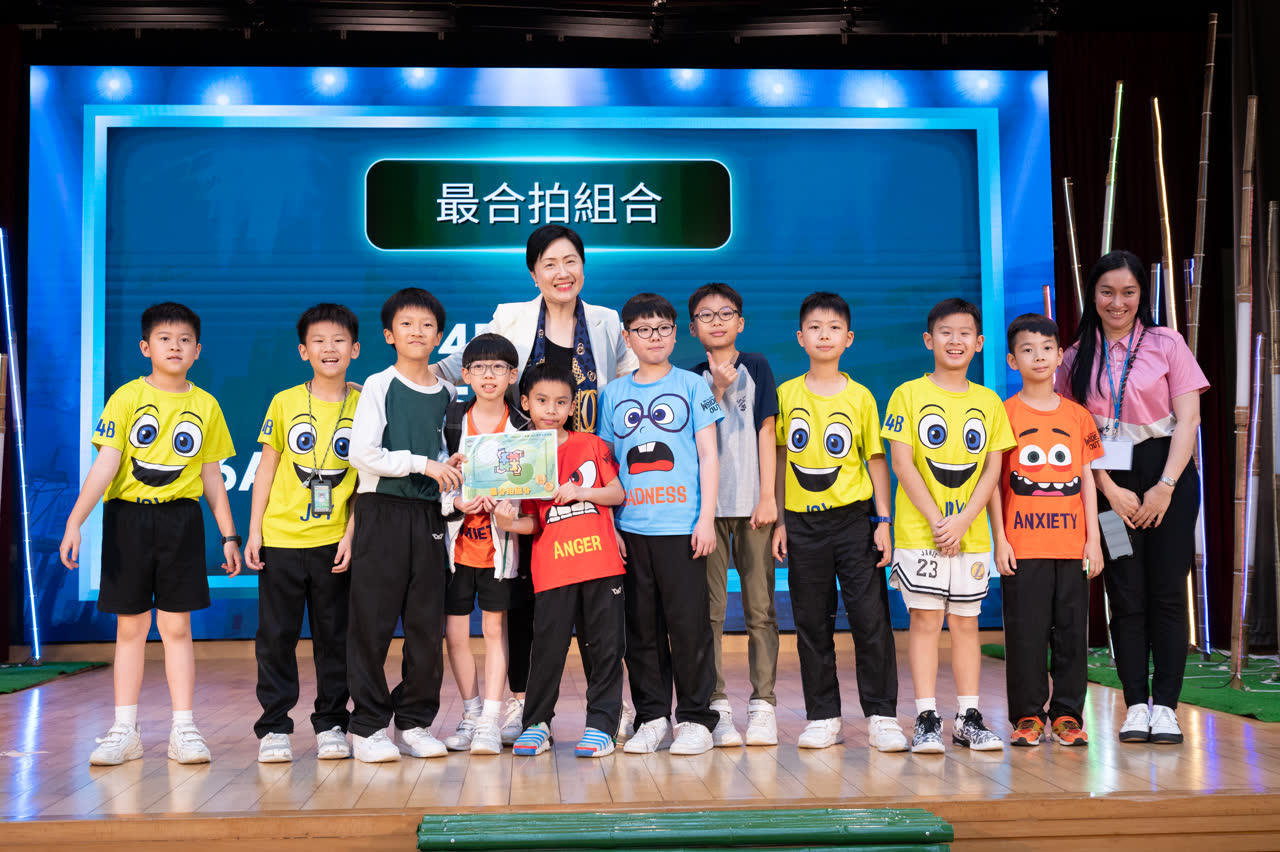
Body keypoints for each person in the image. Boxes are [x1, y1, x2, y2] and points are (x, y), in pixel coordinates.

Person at [433, 224, 639, 743]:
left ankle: (610, 710)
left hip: (589, 471)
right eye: (549, 263)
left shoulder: (607, 322)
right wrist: (406, 379)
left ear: (583, 266)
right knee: (528, 597)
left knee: (598, 607)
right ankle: (525, 706)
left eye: (570, 261)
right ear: (533, 273)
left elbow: (636, 380)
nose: (561, 272)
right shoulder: (511, 317)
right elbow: (461, 366)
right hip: (524, 473)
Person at [59, 302, 241, 766]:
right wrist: (75, 521)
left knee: (177, 627)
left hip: (181, 521)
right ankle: (125, 729)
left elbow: (212, 478)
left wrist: (229, 536)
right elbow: (106, 465)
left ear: (197, 350)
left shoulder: (206, 405)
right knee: (131, 628)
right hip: (128, 520)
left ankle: (184, 729)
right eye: (164, 338)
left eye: (184, 340)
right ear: (145, 347)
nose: (174, 346)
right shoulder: (126, 398)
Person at [1057, 251, 1207, 745]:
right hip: (1109, 484)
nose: (1117, 302)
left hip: (1169, 476)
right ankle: (1136, 705)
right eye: (1107, 292)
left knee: (1167, 592)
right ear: (1093, 295)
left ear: (1141, 294)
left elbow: (1189, 419)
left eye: (1128, 292)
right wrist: (1109, 491)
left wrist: (1165, 486)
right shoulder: (1075, 356)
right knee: (1124, 594)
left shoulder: (1167, 343)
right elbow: (1072, 433)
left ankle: (1166, 708)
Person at [771, 292, 906, 752]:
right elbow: (780, 459)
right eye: (815, 327)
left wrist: (883, 521)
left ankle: (882, 715)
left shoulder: (861, 396)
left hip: (854, 522)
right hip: (801, 525)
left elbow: (876, 461)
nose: (824, 335)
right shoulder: (786, 394)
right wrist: (780, 520)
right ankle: (823, 715)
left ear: (848, 338)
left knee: (871, 620)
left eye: (833, 328)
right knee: (812, 622)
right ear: (800, 337)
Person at [883, 297, 1014, 754]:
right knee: (924, 620)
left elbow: (992, 470)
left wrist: (963, 522)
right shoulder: (907, 394)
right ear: (928, 340)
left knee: (965, 623)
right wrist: (941, 523)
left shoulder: (989, 401)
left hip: (971, 536)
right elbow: (902, 463)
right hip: (922, 533)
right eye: (945, 332)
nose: (955, 341)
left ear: (979, 343)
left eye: (964, 334)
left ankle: (968, 717)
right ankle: (925, 717)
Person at [598, 293, 724, 756]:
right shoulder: (613, 394)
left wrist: (706, 519)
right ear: (627, 337)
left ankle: (695, 719)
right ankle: (652, 717)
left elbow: (709, 455)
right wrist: (611, 526)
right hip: (631, 530)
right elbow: (607, 464)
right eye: (643, 330)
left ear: (675, 334)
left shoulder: (695, 386)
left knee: (689, 627)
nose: (654, 337)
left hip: (683, 527)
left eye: (663, 328)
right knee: (641, 631)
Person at [346, 288, 465, 763]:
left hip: (428, 517)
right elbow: (363, 453)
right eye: (407, 324)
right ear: (388, 334)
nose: (417, 332)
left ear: (439, 336)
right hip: (382, 511)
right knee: (371, 624)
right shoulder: (379, 384)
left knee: (424, 627)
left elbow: (443, 457)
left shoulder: (449, 393)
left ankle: (415, 722)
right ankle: (368, 727)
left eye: (427, 325)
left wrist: (447, 468)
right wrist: (422, 464)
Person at [246, 303, 362, 763]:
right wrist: (254, 532)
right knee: (276, 638)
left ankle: (332, 723)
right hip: (280, 540)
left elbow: (367, 480)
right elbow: (266, 468)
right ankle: (274, 727)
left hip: (334, 544)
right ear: (303, 351)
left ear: (355, 349)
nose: (329, 349)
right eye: (318, 341)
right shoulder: (285, 402)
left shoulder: (365, 404)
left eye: (338, 340)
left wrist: (351, 533)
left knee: (335, 638)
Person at [493, 362, 627, 757]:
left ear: (572, 406)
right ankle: (537, 723)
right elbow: (534, 521)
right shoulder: (522, 455)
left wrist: (582, 492)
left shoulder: (591, 445)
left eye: (561, 402)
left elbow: (617, 493)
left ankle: (602, 725)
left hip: (601, 564)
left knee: (604, 647)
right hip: (552, 568)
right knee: (547, 649)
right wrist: (508, 523)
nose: (551, 409)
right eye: (542, 401)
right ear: (525, 402)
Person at [989, 313, 1103, 747]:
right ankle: (1028, 716)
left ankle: (1068, 715)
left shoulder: (1079, 417)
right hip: (1023, 546)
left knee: (1072, 635)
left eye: (1046, 349)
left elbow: (1087, 480)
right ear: (1012, 360)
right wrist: (1000, 539)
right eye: (1027, 349)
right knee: (1026, 636)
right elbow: (994, 483)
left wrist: (1094, 540)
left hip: (1072, 546)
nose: (1038, 356)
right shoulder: (1003, 414)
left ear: (1059, 356)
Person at [688, 282, 781, 748]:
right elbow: (698, 429)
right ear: (693, 328)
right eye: (706, 315)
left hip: (753, 509)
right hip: (706, 512)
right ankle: (717, 703)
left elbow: (767, 431)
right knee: (710, 613)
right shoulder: (689, 378)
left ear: (740, 322)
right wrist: (717, 387)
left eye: (726, 313)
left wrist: (768, 496)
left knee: (760, 610)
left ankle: (763, 704)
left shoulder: (757, 365)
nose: (717, 321)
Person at [438, 333, 530, 755]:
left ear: (513, 375)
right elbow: (434, 476)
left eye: (498, 368)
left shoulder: (523, 428)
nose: (488, 375)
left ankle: (492, 719)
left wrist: (509, 507)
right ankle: (471, 714)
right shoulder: (452, 419)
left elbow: (534, 489)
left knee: (494, 629)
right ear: (465, 374)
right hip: (456, 551)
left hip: (499, 552)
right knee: (456, 633)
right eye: (479, 368)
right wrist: (455, 501)